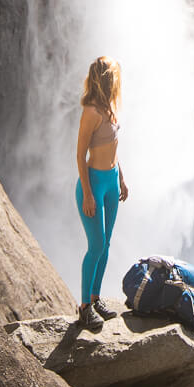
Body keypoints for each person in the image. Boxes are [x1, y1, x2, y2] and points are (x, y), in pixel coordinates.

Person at [75, 55, 129, 331]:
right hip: (93, 183)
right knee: (95, 246)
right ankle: (84, 307)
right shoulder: (91, 112)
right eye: (115, 77)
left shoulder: (109, 108)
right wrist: (87, 193)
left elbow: (114, 150)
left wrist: (121, 178)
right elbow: (80, 153)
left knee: (106, 244)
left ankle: (95, 299)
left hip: (110, 181)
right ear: (107, 80)